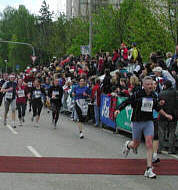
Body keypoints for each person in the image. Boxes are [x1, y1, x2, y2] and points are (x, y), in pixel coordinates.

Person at [115, 76, 173, 178]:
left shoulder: (154, 95)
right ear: (143, 85)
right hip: (137, 122)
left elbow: (157, 107)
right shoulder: (137, 94)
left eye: (152, 84)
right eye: (148, 84)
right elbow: (127, 101)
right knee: (136, 144)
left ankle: (149, 169)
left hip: (148, 122)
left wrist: (166, 114)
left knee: (149, 143)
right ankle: (128, 145)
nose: (151, 86)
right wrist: (118, 109)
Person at [158, 80, 177, 154]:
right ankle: (171, 149)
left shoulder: (161, 93)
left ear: (165, 86)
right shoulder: (176, 93)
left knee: (161, 132)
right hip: (173, 115)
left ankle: (159, 148)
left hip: (163, 115)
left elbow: (158, 105)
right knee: (172, 132)